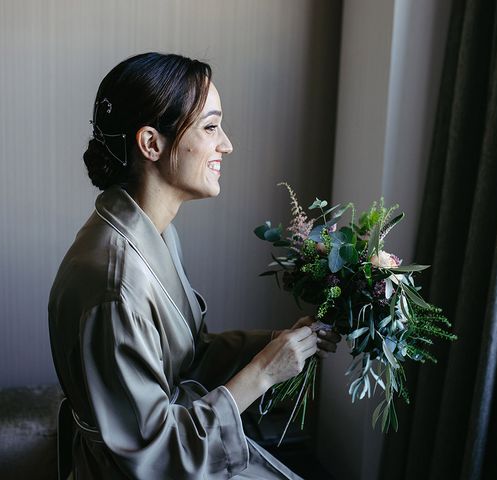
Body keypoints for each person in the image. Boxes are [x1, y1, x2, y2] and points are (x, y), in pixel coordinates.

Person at [48, 52, 341, 480]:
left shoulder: (155, 231)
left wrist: (277, 344)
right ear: (151, 143)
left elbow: (186, 358)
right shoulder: (113, 285)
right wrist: (261, 373)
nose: (227, 144)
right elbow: (153, 452)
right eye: (210, 127)